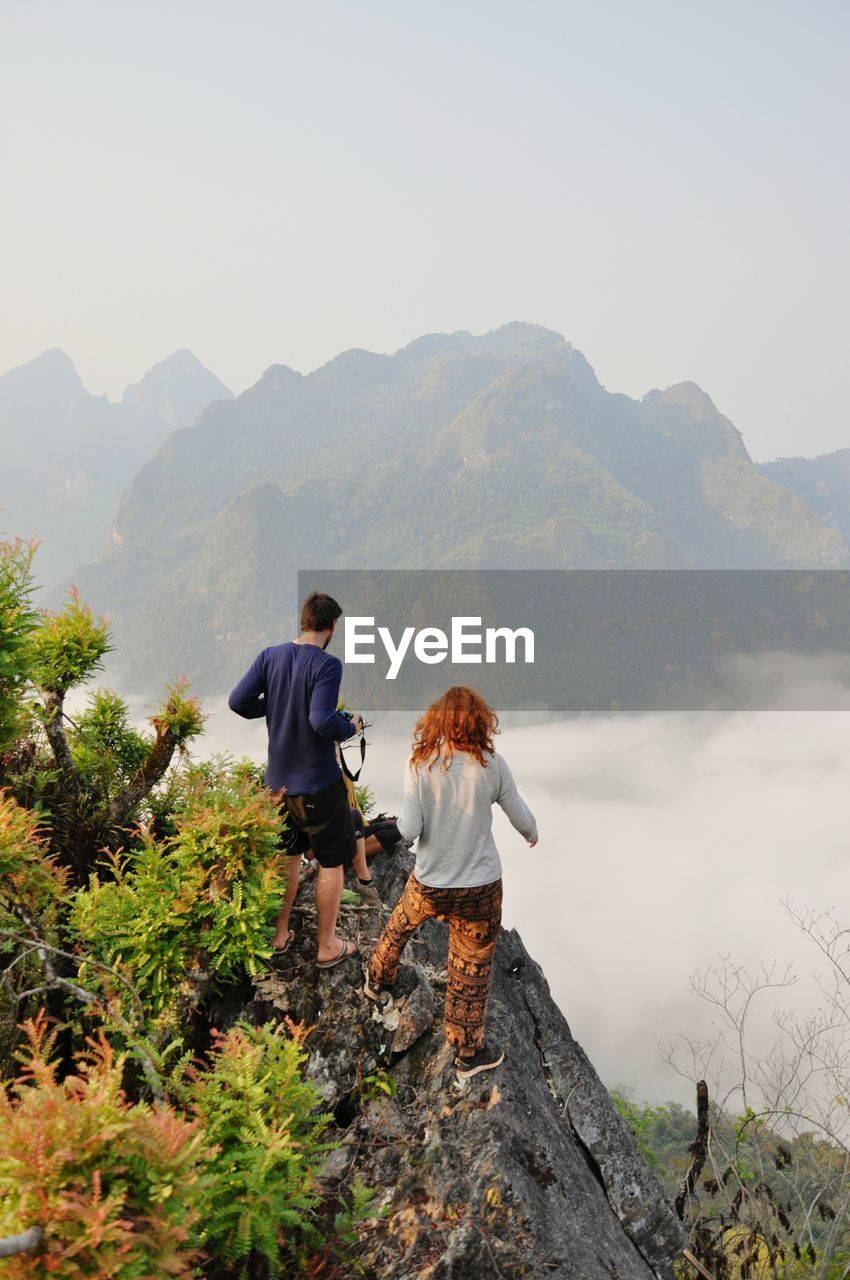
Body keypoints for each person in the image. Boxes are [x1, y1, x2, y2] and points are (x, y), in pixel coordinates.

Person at [364, 686, 538, 1081]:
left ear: (437, 720)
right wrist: (532, 833)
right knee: (471, 970)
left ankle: (376, 981)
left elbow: (409, 829)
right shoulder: (492, 764)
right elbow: (521, 816)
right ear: (480, 721)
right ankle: (467, 1054)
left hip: (431, 881)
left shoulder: (420, 764)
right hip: (481, 888)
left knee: (400, 926)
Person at [228, 590, 376, 968]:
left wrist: (275, 705)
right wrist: (350, 725)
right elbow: (322, 721)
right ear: (331, 626)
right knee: (331, 862)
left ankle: (279, 935)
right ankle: (326, 946)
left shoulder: (269, 656)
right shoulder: (327, 665)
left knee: (287, 857)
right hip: (317, 786)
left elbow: (238, 701)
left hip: (276, 785)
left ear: (303, 621)